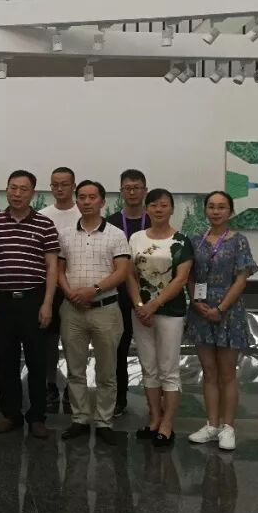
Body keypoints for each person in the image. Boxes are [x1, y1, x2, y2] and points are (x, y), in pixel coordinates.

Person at [0, 171, 60, 439]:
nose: (17, 194)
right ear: (6, 190)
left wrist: (48, 303)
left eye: (23, 189)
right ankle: (11, 414)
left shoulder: (44, 224)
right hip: (1, 302)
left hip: (33, 301)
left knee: (37, 361)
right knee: (4, 360)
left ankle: (37, 417)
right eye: (13, 188)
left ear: (33, 193)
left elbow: (52, 267)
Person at [59, 180, 131, 445]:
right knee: (75, 369)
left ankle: (104, 421)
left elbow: (122, 271)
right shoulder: (65, 234)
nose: (87, 202)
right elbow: (59, 270)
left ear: (102, 201)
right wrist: (71, 293)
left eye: (92, 197)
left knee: (107, 372)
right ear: (77, 201)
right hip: (72, 310)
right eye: (82, 197)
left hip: (106, 309)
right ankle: (79, 418)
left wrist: (94, 290)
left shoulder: (116, 234)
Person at [185, 191, 258, 451]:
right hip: (201, 311)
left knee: (227, 373)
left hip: (229, 312)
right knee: (208, 371)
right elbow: (189, 275)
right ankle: (212, 425)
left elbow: (241, 279)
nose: (216, 212)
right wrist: (197, 302)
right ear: (205, 210)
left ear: (230, 211)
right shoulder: (196, 241)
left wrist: (221, 308)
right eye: (212, 207)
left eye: (222, 207)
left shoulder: (239, 241)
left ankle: (228, 428)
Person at [124, 189, 194, 448]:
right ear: (147, 209)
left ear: (172, 209)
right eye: (153, 205)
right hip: (141, 313)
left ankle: (167, 424)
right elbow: (129, 274)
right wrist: (140, 305)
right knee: (149, 368)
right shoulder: (136, 238)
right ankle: (154, 418)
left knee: (168, 369)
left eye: (163, 205)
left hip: (170, 312)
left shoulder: (181, 240)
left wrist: (154, 304)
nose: (158, 210)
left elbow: (181, 279)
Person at [107, 169, 150, 417]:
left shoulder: (155, 221)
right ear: (121, 191)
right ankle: (118, 399)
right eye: (127, 188)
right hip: (118, 296)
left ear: (145, 190)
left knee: (152, 353)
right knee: (118, 350)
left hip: (152, 298)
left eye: (137, 187)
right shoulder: (110, 223)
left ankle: (157, 403)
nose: (132, 192)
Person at [39, 166, 80, 413]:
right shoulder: (43, 215)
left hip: (79, 289)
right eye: (55, 184)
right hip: (51, 288)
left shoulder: (83, 212)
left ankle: (74, 388)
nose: (60, 188)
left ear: (73, 186)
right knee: (49, 341)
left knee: (74, 341)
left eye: (65, 184)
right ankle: (50, 384)